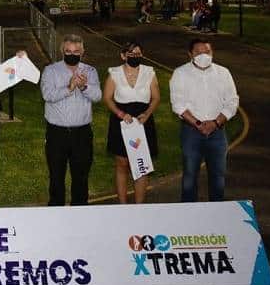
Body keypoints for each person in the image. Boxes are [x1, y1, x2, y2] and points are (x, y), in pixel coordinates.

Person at [170, 38, 239, 202]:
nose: (203, 55)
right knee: (189, 178)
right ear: (190, 54)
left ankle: (216, 216)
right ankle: (188, 217)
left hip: (217, 133)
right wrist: (198, 124)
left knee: (218, 178)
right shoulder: (180, 73)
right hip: (191, 132)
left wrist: (215, 123)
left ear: (212, 53)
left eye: (207, 52)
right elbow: (177, 104)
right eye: (198, 52)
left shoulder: (223, 73)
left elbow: (232, 101)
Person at [40, 33, 102, 206]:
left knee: (81, 178)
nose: (72, 54)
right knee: (56, 177)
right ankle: (56, 213)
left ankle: (80, 214)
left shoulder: (90, 71)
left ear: (82, 52)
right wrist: (70, 87)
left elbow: (97, 96)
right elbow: (48, 95)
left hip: (82, 134)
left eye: (76, 51)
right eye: (68, 51)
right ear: (62, 51)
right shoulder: (51, 71)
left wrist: (84, 87)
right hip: (56, 133)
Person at [102, 41, 160, 203]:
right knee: (122, 163)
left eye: (138, 54)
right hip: (121, 121)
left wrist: (147, 113)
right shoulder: (114, 73)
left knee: (141, 165)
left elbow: (156, 98)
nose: (135, 56)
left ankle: (138, 207)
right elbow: (107, 98)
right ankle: (123, 206)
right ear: (123, 56)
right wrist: (120, 114)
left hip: (143, 121)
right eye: (131, 54)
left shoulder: (150, 73)